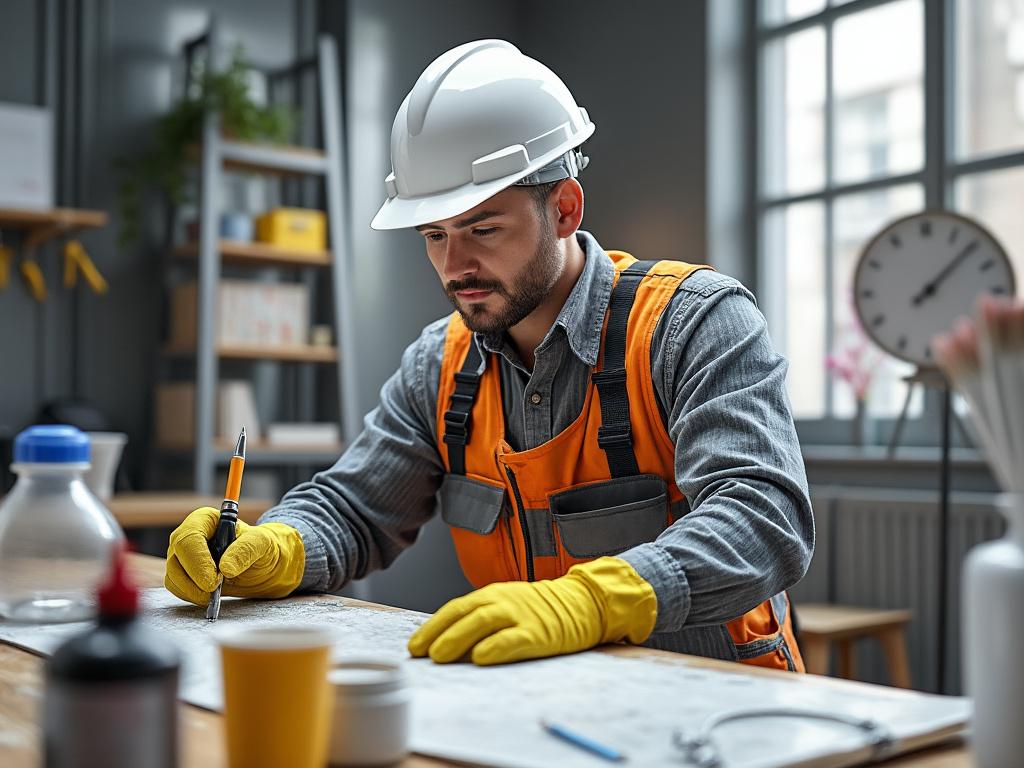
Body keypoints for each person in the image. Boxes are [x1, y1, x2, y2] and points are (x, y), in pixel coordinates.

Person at [165, 40, 813, 671]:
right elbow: (356, 509)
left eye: (482, 229)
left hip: (719, 706)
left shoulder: (692, 322)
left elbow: (765, 515)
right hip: (534, 708)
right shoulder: (439, 365)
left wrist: (597, 600)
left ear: (564, 209)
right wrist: (277, 545)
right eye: (434, 234)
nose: (455, 266)